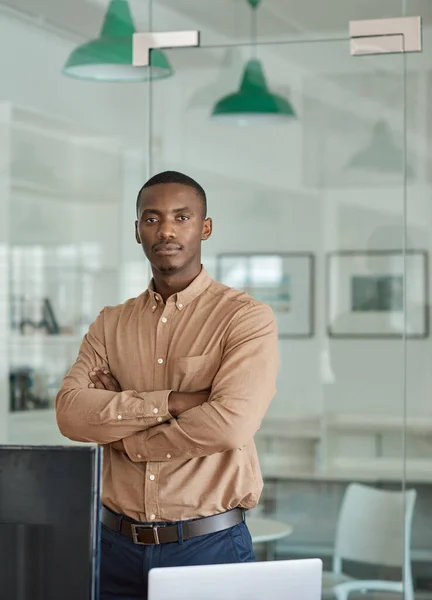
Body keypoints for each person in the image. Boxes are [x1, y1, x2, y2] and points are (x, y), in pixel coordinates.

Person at [56, 170, 279, 600]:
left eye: (182, 216)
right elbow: (70, 412)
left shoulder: (245, 318)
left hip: (209, 549)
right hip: (111, 548)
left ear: (205, 227)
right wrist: (177, 401)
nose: (167, 230)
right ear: (137, 231)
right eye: (152, 218)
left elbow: (230, 424)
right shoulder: (110, 322)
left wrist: (126, 435)